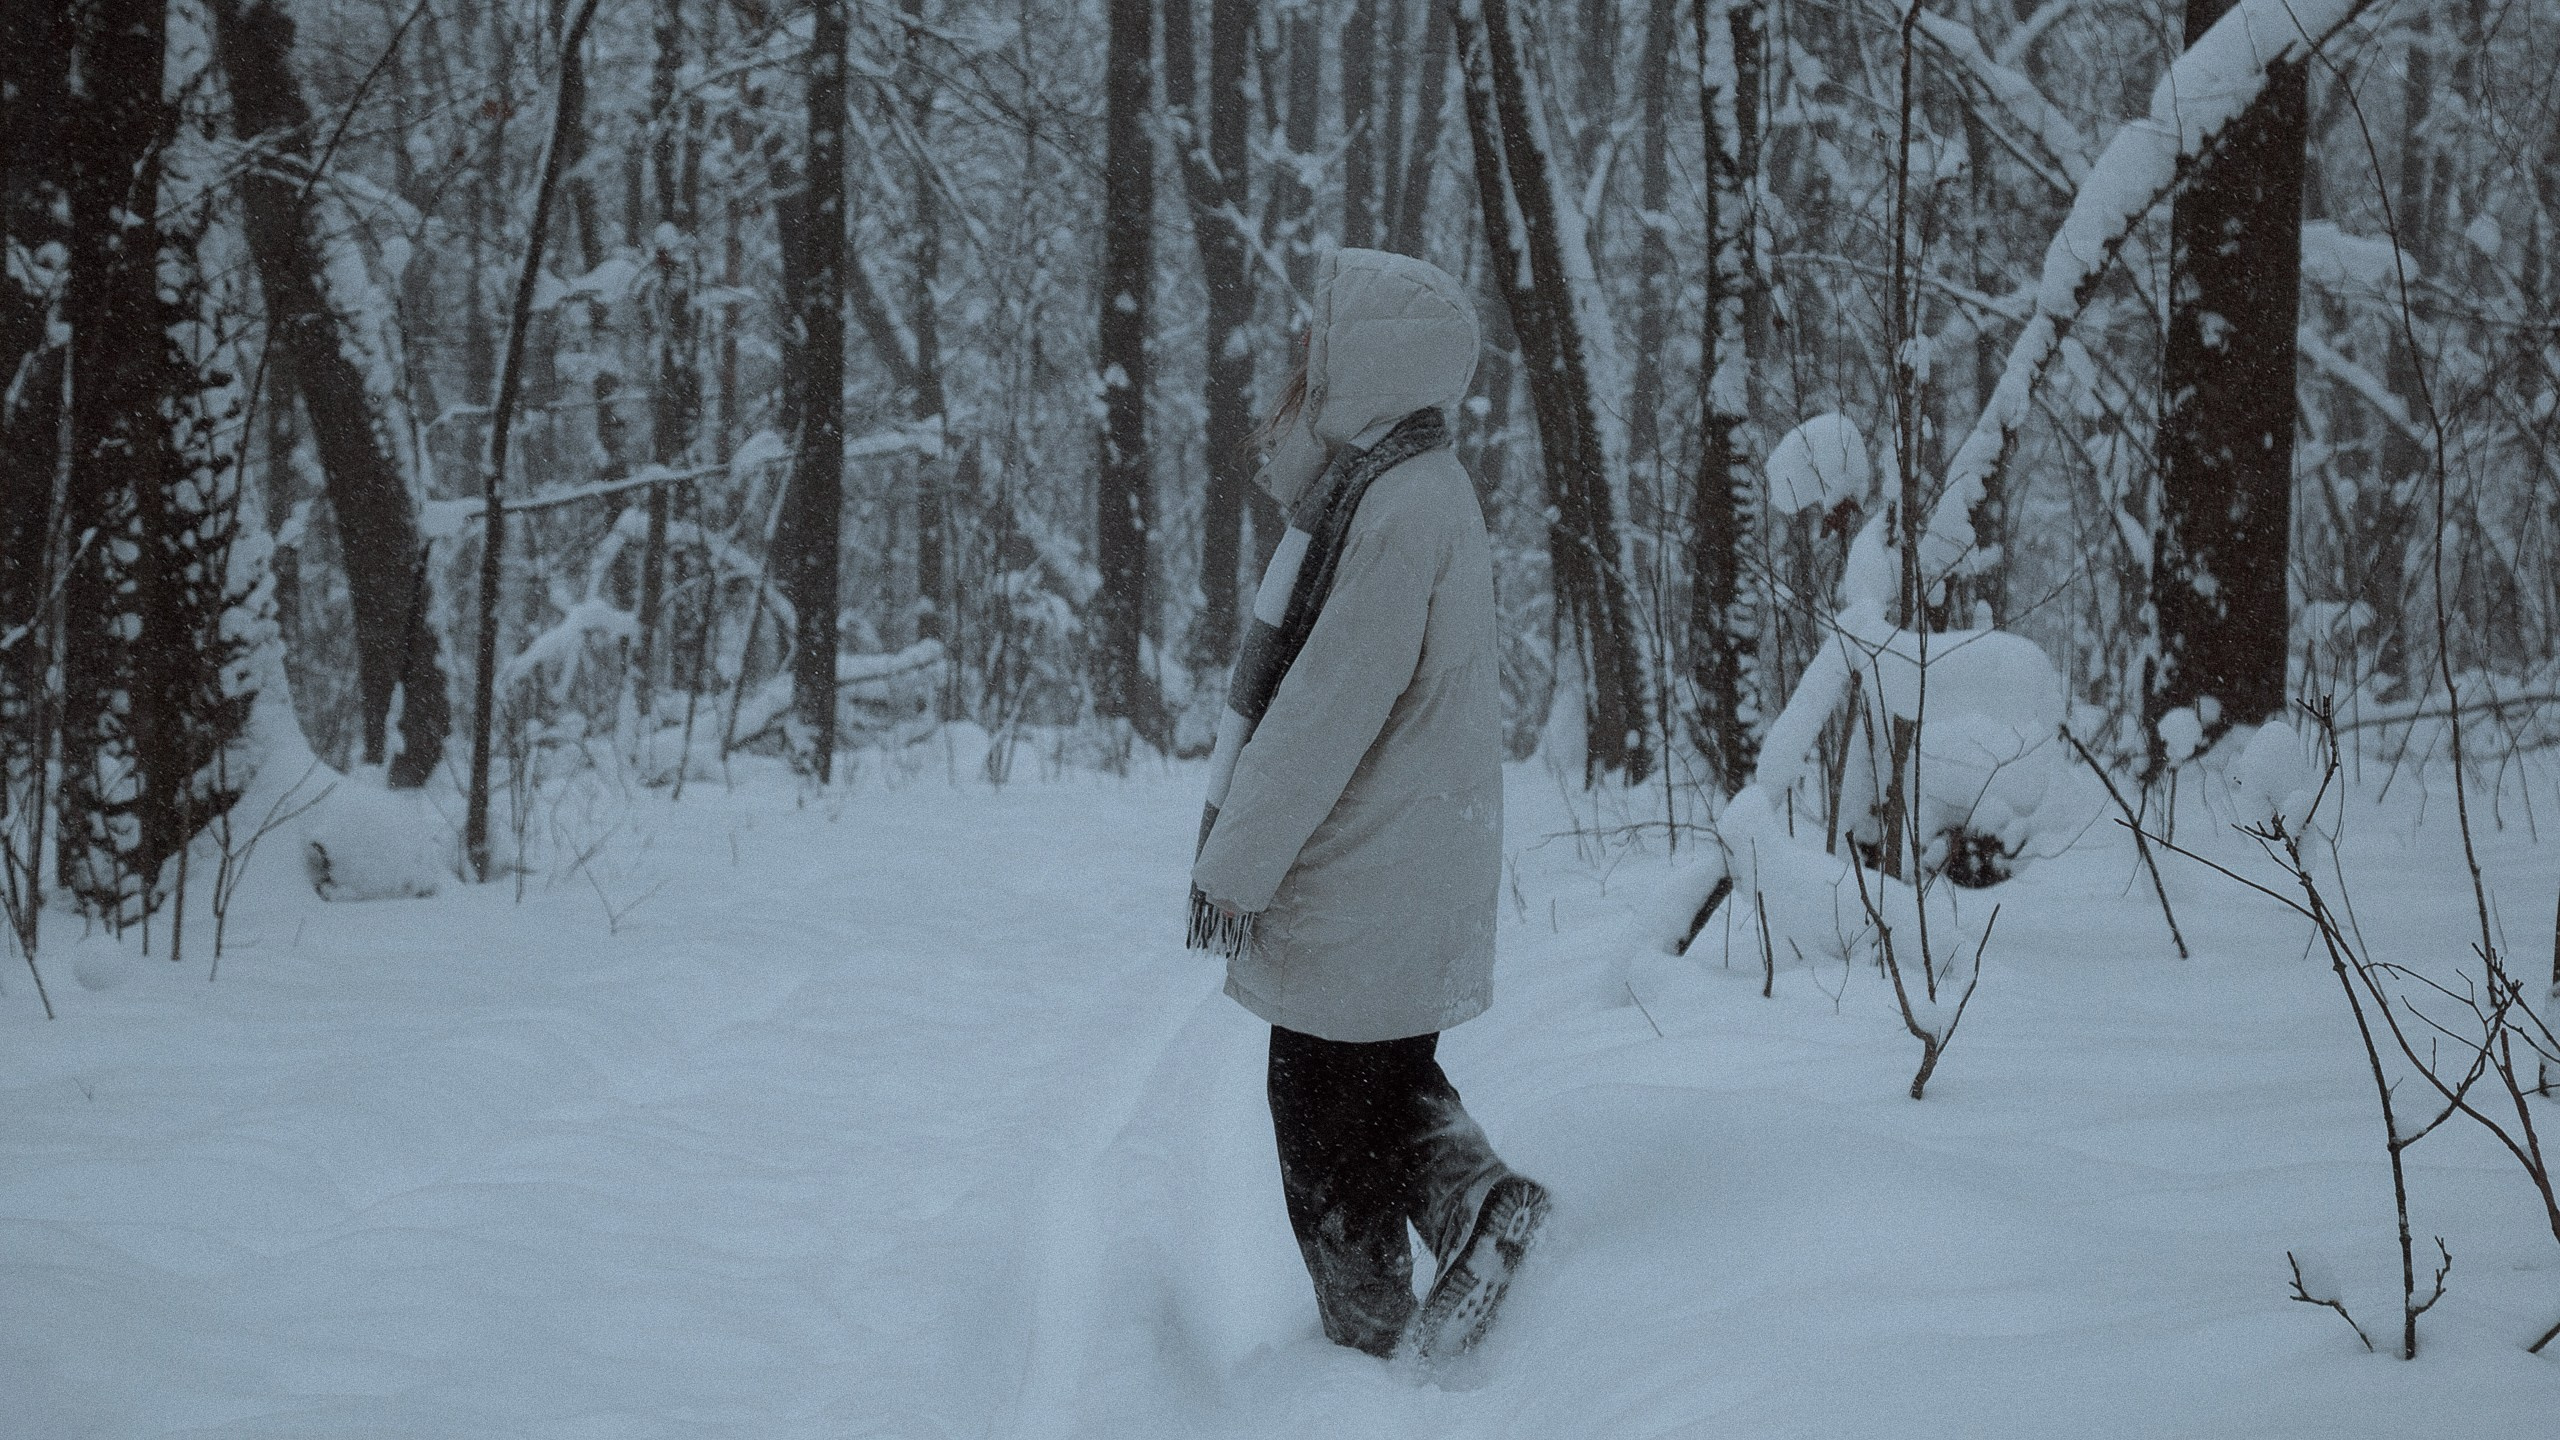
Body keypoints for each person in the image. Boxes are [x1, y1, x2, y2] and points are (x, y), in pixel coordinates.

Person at [1186, 248, 1549, 1362]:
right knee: (1379, 1082)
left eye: (1324, 345)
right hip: (1401, 864)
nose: (1306, 364)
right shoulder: (1421, 490)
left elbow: (1324, 710)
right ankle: (1474, 1207)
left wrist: (1233, 865)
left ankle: (1370, 1337)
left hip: (1367, 868)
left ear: (1375, 362)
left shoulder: (1393, 507)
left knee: (1317, 1108)